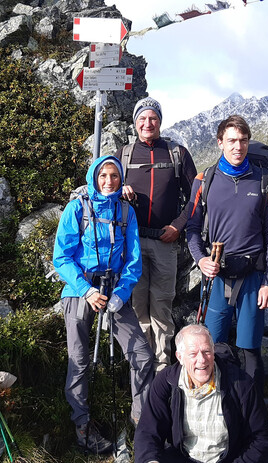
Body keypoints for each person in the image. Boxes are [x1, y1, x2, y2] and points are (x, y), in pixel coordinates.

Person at [53, 156, 154, 454]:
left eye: (114, 176)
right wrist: (86, 291)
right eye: (103, 176)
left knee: (142, 354)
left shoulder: (125, 211)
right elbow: (61, 257)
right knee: (79, 360)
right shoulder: (77, 208)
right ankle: (83, 426)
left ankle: (143, 421)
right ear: (94, 177)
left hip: (114, 291)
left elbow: (133, 261)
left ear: (120, 178)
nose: (108, 181)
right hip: (78, 289)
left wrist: (121, 294)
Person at [187, 115, 268, 392]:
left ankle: (251, 412)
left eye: (243, 140)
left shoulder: (264, 181)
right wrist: (201, 259)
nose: (237, 147)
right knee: (211, 348)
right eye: (231, 141)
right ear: (220, 143)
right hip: (216, 275)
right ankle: (214, 403)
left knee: (250, 349)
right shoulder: (205, 180)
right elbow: (192, 228)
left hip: (253, 276)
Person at [116, 96, 197, 372]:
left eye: (153, 118)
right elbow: (105, 191)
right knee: (138, 306)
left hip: (165, 242)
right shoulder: (123, 155)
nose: (147, 123)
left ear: (160, 122)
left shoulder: (177, 154)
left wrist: (178, 226)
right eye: (142, 118)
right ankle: (141, 366)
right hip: (133, 244)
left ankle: (162, 369)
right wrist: (119, 191)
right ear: (135, 123)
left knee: (162, 307)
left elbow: (196, 198)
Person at [133, 324, 268, 463]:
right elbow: (147, 432)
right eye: (193, 353)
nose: (202, 360)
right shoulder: (166, 382)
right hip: (181, 457)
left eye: (206, 351)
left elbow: (260, 438)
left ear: (213, 350)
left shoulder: (241, 384)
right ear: (180, 357)